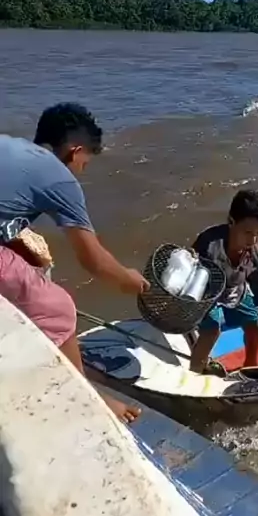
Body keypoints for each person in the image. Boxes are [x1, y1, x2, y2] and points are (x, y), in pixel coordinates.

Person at [0, 103, 150, 423]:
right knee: (60, 309)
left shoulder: (10, 147)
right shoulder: (60, 179)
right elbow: (92, 261)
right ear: (75, 150)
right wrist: (129, 280)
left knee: (30, 268)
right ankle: (88, 398)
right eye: (84, 163)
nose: (81, 171)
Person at [189, 189, 258, 377]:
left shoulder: (254, 257)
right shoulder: (209, 245)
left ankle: (250, 368)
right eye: (247, 232)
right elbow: (187, 273)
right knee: (212, 330)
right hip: (206, 292)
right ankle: (195, 372)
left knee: (253, 325)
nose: (253, 240)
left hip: (234, 289)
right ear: (231, 222)